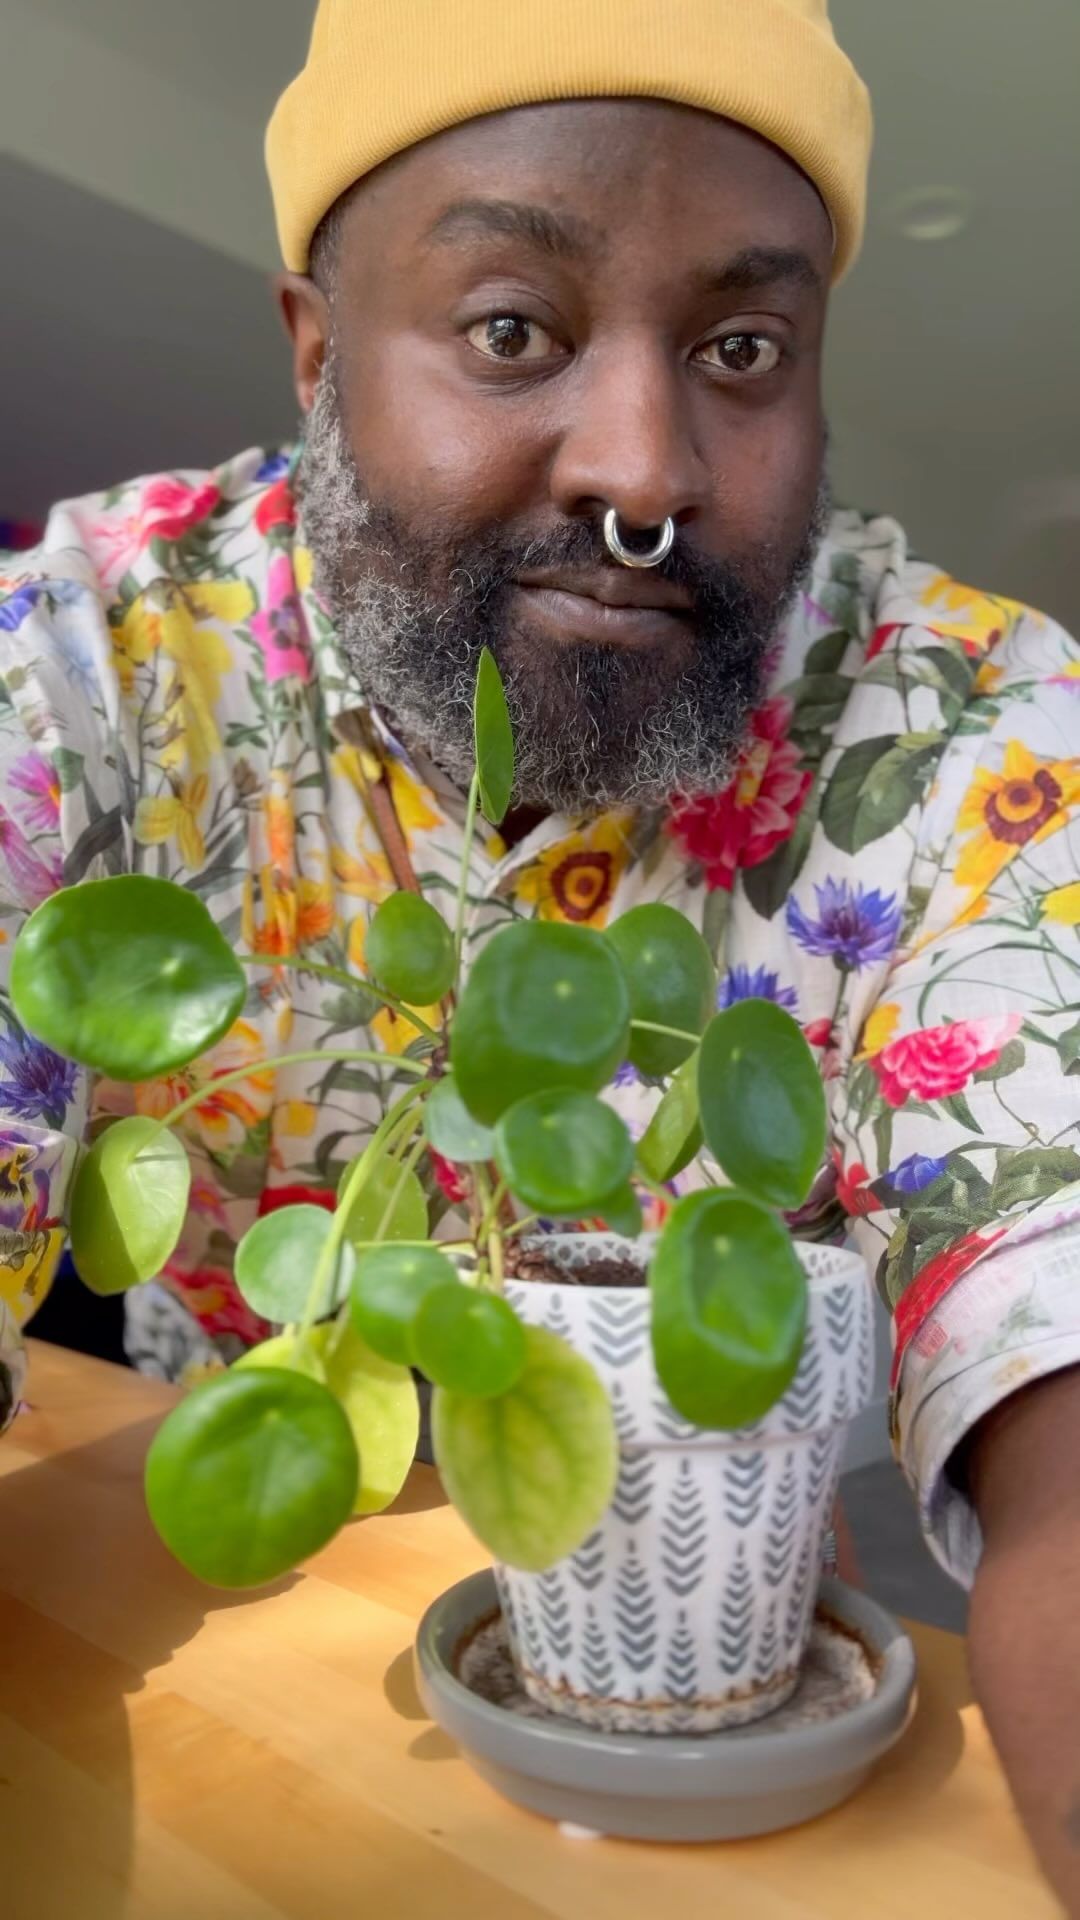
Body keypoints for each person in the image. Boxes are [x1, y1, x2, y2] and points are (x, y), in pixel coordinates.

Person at [2, 0, 1079, 1895]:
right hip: (229, 1646)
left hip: (716, 1712)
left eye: (743, 349)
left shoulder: (968, 728)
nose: (646, 472)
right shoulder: (87, 665)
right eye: (514, 329)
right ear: (319, 351)